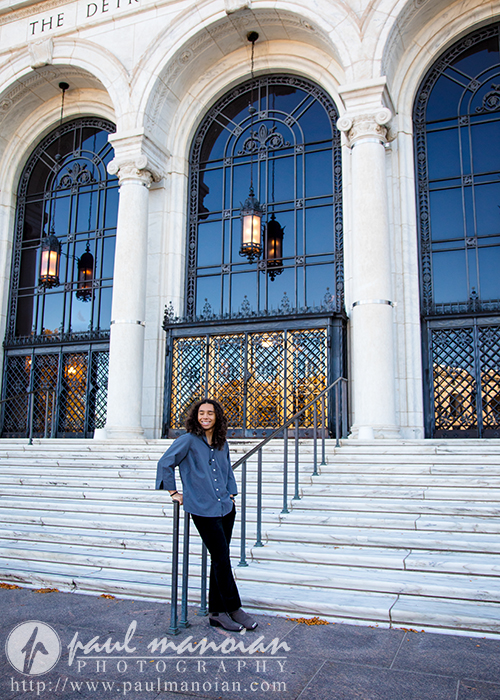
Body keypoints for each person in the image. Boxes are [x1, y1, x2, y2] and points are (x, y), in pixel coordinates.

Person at [156, 398, 258, 632]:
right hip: (202, 509)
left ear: (217, 417)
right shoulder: (188, 441)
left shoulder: (222, 443)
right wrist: (173, 492)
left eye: (210, 413)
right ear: (195, 416)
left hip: (225, 507)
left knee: (219, 559)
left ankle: (216, 613)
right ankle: (234, 608)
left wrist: (231, 494)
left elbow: (227, 470)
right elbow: (165, 463)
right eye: (201, 413)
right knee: (221, 557)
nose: (205, 417)